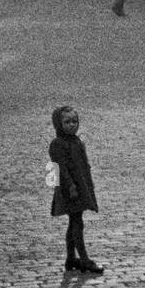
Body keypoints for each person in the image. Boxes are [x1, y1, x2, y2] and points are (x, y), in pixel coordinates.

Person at [49, 105, 104, 274]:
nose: (72, 125)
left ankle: (71, 258)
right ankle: (84, 259)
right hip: (70, 190)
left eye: (75, 121)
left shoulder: (76, 141)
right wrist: (70, 187)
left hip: (79, 187)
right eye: (67, 122)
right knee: (77, 223)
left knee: (74, 221)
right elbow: (58, 169)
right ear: (59, 124)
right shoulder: (58, 144)